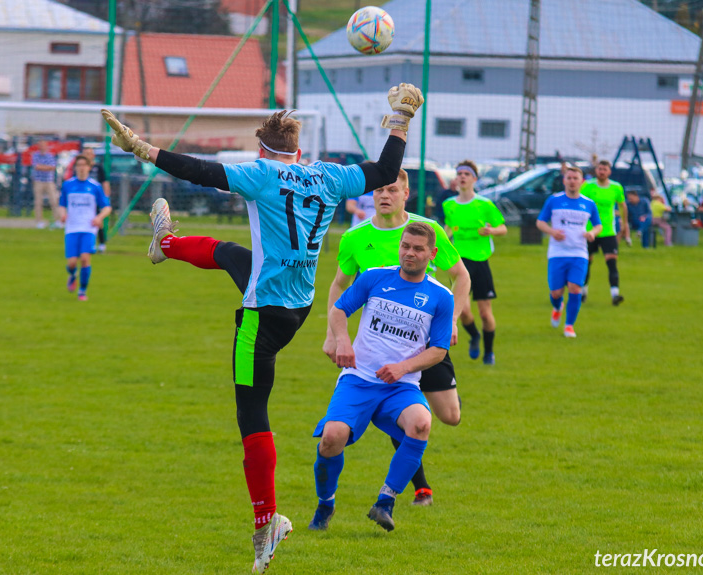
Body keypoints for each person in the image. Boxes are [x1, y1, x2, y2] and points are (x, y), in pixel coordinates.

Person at [101, 82, 423, 574]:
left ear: (262, 149)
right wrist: (400, 121)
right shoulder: (328, 176)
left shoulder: (259, 174)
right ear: (298, 150)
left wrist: (141, 148)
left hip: (263, 313)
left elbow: (200, 170)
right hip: (300, 304)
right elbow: (382, 171)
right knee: (233, 255)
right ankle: (166, 246)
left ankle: (266, 523)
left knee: (251, 412)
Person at [324, 168, 470, 507]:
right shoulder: (356, 237)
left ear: (406, 193)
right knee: (405, 415)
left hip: (422, 343)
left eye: (392, 189)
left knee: (450, 416)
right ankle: (419, 488)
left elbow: (460, 276)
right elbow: (338, 286)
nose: (384, 195)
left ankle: (388, 420)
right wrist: (333, 336)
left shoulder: (426, 231)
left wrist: (454, 321)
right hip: (375, 348)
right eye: (379, 190)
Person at [310, 222, 453, 533]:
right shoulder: (375, 277)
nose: (409, 253)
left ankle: (385, 502)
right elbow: (338, 310)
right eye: (405, 246)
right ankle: (325, 503)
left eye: (418, 249)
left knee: (422, 423)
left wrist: (403, 368)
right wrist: (343, 341)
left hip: (400, 386)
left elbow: (439, 351)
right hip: (358, 379)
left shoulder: (440, 296)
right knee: (332, 439)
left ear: (432, 253)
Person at [441, 160, 506, 365]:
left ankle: (489, 352)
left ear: (474, 179)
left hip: (480, 262)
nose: (461, 177)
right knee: (464, 312)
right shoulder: (449, 204)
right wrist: (440, 239)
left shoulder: (484, 205)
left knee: (486, 314)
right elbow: (449, 228)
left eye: (466, 174)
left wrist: (492, 231)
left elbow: (502, 228)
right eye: (459, 173)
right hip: (459, 263)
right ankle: (474, 336)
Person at [536, 167, 602, 338]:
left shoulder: (589, 203)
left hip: (579, 253)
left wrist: (592, 233)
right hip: (557, 253)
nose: (572, 181)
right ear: (564, 181)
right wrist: (552, 232)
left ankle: (569, 326)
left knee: (575, 287)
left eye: (575, 178)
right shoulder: (554, 200)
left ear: (581, 181)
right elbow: (540, 222)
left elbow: (598, 225)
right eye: (569, 178)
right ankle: (558, 307)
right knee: (556, 292)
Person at [58, 154, 111, 301]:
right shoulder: (68, 185)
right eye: (78, 165)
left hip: (88, 228)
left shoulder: (95, 186)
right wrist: (63, 215)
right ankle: (73, 274)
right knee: (72, 263)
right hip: (72, 228)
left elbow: (107, 207)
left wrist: (99, 218)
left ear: (89, 167)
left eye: (84, 165)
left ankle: (82, 291)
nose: (81, 168)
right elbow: (62, 204)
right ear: (75, 168)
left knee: (85, 259)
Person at [579, 160, 627, 305]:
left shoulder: (616, 187)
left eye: (604, 169)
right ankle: (583, 293)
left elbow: (622, 205)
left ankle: (615, 295)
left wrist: (624, 225)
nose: (602, 172)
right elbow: (579, 202)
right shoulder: (588, 186)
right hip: (590, 231)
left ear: (609, 172)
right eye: (600, 169)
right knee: (586, 263)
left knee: (612, 263)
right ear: (596, 170)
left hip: (608, 231)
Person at [80, 147, 112, 253]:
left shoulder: (98, 168)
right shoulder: (81, 168)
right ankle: (88, 244)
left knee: (98, 220)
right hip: (84, 199)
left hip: (96, 198)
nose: (88, 155)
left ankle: (102, 243)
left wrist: (105, 196)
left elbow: (104, 182)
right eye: (86, 153)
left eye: (90, 153)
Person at [31, 139, 60, 229]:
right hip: (38, 180)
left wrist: (43, 167)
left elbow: (52, 167)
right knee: (38, 202)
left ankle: (57, 220)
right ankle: (39, 221)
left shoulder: (50, 156)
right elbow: (36, 166)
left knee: (54, 200)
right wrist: (45, 167)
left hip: (49, 180)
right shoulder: (35, 155)